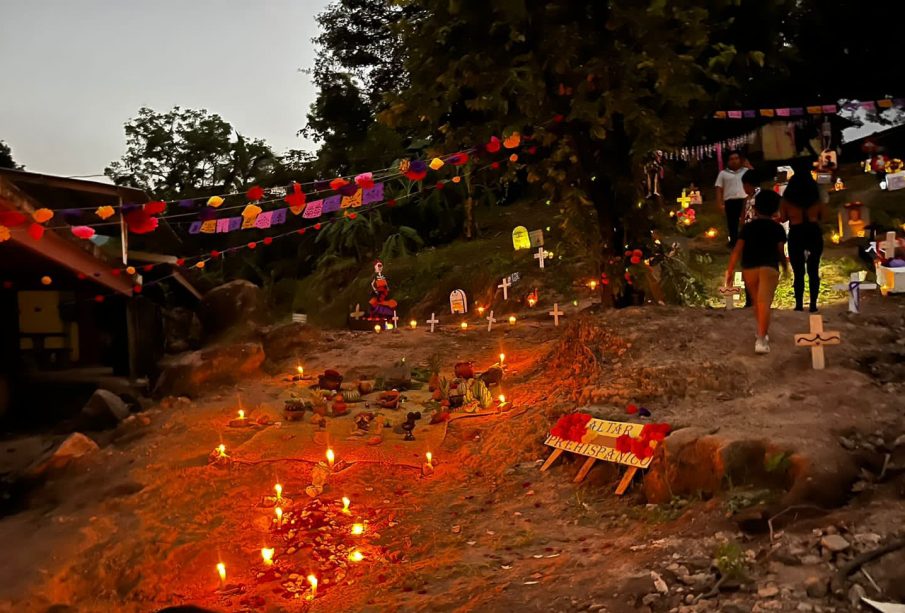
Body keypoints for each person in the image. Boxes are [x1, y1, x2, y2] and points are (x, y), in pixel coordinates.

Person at [726, 190, 788, 354]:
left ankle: (761, 333)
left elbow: (737, 250)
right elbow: (780, 251)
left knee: (757, 302)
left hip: (749, 268)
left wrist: (730, 270)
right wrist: (786, 267)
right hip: (769, 267)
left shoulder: (748, 227)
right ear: (776, 209)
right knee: (764, 303)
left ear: (756, 208)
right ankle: (761, 338)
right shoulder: (778, 229)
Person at [780, 173, 827, 312]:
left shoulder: (786, 201)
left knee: (798, 272)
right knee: (814, 270)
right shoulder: (817, 200)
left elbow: (783, 218)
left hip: (796, 233)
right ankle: (813, 304)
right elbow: (824, 217)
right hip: (813, 232)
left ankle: (799, 305)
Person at [715, 151, 749, 248]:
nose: (734, 161)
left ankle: (747, 240)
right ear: (728, 161)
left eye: (736, 158)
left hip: (744, 200)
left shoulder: (745, 171)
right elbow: (718, 188)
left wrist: (749, 165)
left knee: (746, 221)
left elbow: (754, 179)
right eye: (731, 159)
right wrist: (719, 203)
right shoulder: (723, 174)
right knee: (732, 223)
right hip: (730, 201)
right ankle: (734, 242)